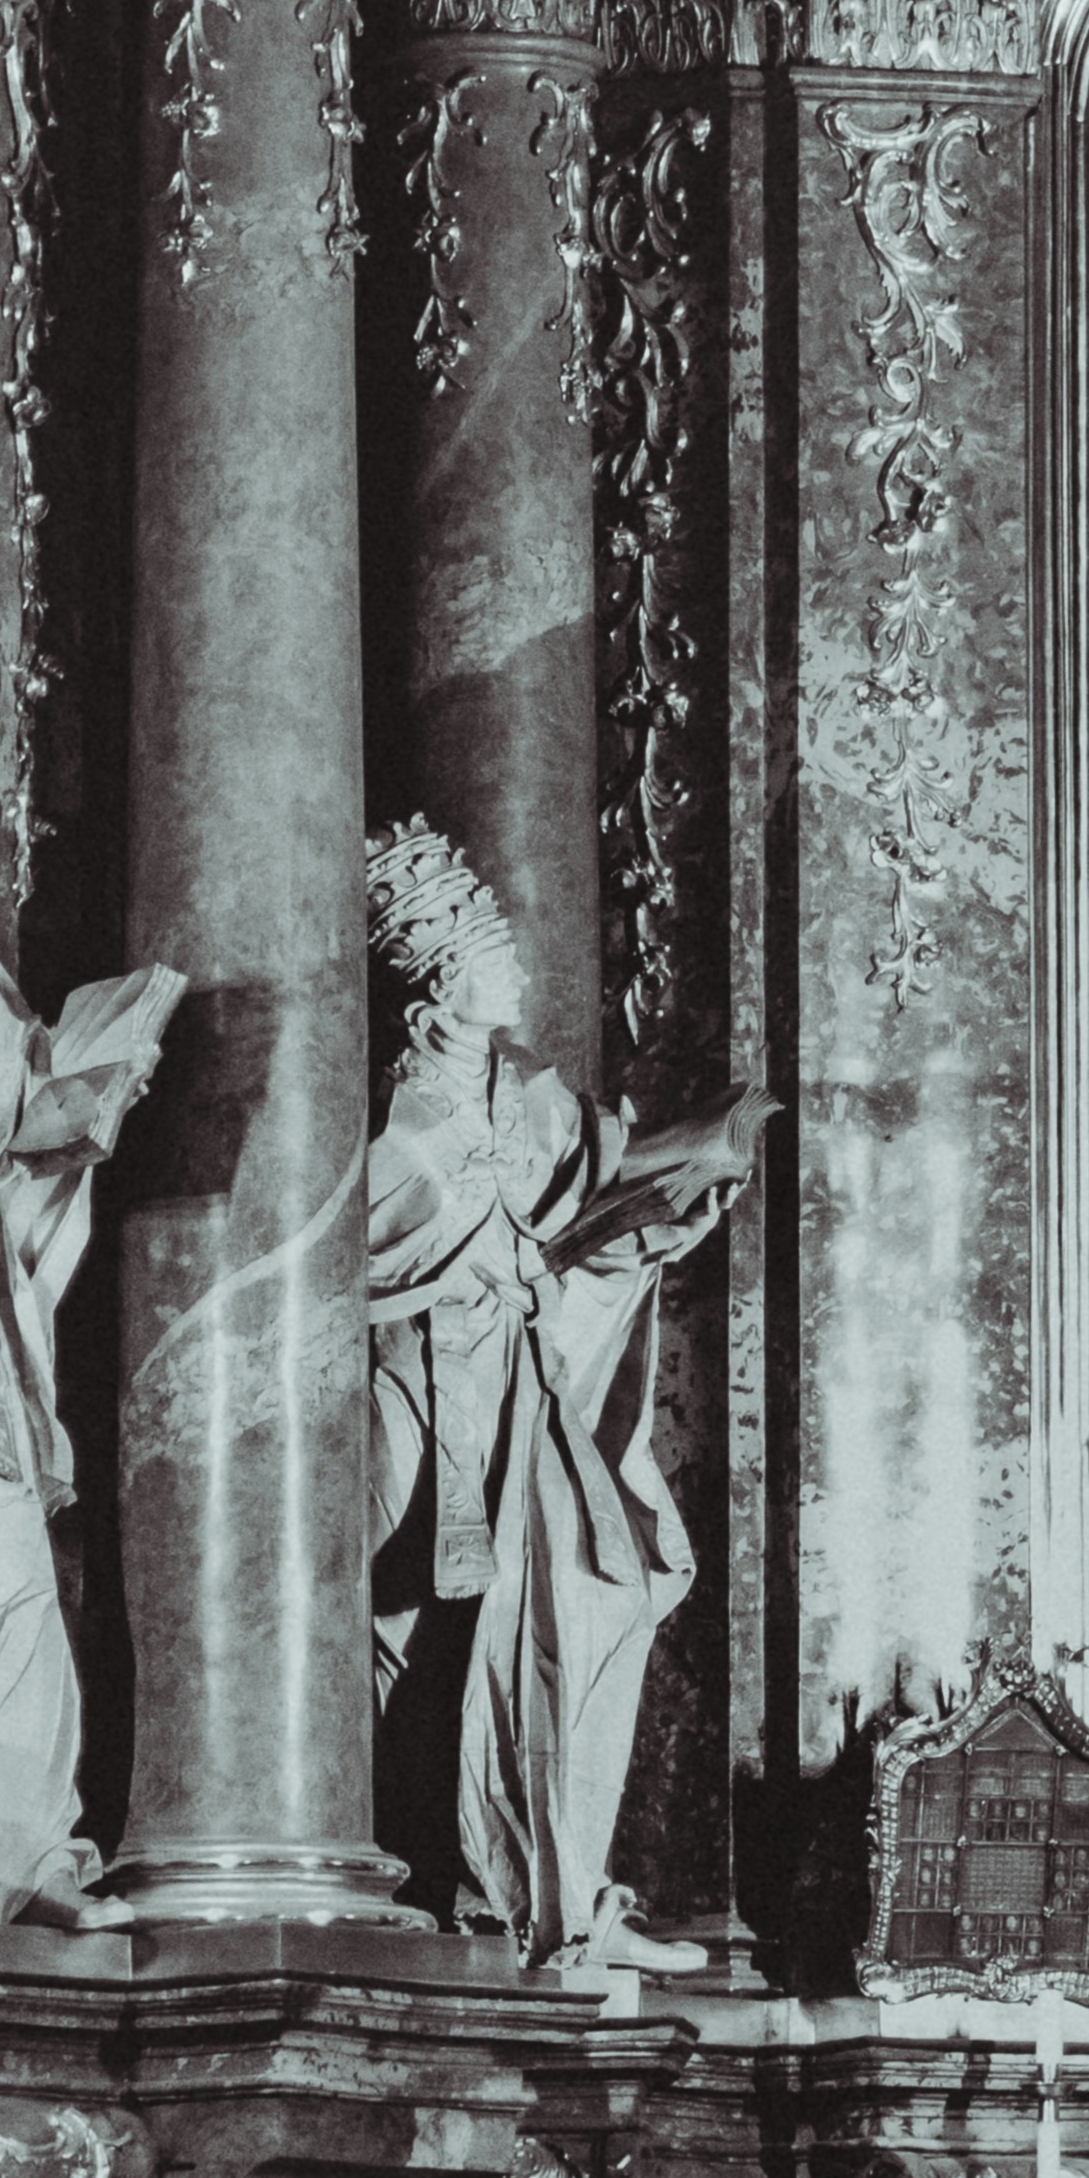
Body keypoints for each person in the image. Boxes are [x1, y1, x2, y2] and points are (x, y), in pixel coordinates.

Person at [359, 827, 759, 1958]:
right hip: (414, 1393)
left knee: (587, 1600)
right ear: (436, 975)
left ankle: (552, 1890)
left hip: (522, 1401)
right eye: (487, 948)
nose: (514, 968)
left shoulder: (531, 1098)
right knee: (399, 1633)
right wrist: (482, 1252)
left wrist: (664, 1217)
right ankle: (420, 1878)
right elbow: (345, 1257)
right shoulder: (383, 1110)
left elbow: (590, 1218)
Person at [0, 885, 182, 1914]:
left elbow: (2, 1118)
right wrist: (50, 1104)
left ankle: (19, 1858)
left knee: (11, 1586)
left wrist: (85, 1093)